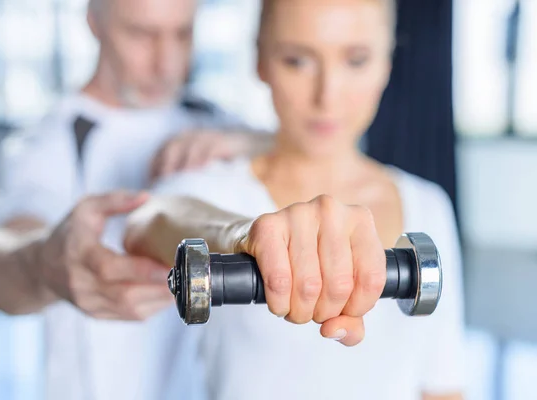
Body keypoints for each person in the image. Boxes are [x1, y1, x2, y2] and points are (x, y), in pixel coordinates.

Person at [123, 0, 466, 399]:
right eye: (297, 60)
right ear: (260, 62)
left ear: (386, 64)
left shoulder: (428, 204)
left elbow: (442, 387)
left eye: (355, 60)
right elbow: (150, 218)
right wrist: (243, 234)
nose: (327, 95)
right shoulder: (211, 188)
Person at [0, 0, 271, 399]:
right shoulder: (51, 142)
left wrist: (251, 143)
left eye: (182, 34)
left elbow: (309, 148)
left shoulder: (214, 123)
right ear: (95, 22)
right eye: (142, 34)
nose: (167, 63)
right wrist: (44, 262)